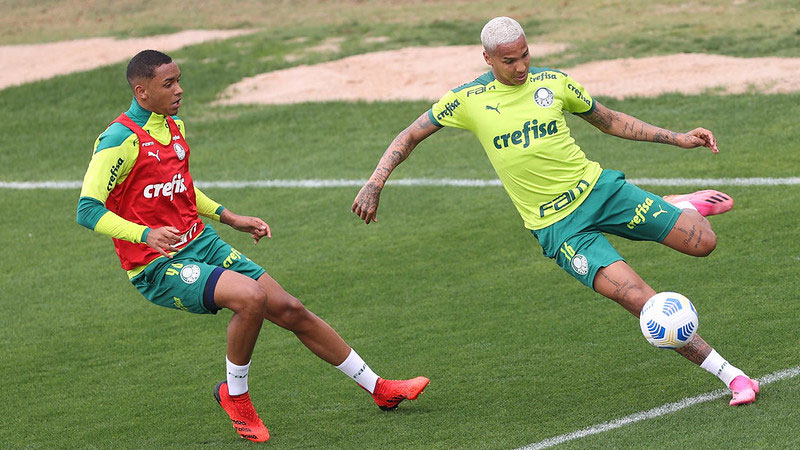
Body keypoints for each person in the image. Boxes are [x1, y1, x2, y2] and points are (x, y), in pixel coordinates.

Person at [352, 17, 758, 406]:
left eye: (525, 55)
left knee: (704, 242)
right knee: (644, 305)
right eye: (509, 61)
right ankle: (733, 376)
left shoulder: (553, 83)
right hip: (560, 229)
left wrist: (680, 139)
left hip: (601, 191)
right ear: (487, 59)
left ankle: (675, 206)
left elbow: (610, 120)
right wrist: (375, 181)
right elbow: (410, 134)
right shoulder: (466, 100)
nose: (521, 67)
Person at [77, 49, 429, 443]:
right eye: (168, 84)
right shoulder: (118, 139)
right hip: (156, 264)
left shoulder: (173, 127)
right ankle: (236, 396)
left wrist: (229, 217)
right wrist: (144, 235)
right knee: (250, 298)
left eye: (179, 80)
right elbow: (87, 209)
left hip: (201, 242)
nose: (179, 90)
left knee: (289, 308)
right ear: (142, 92)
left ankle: (379, 389)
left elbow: (180, 187)